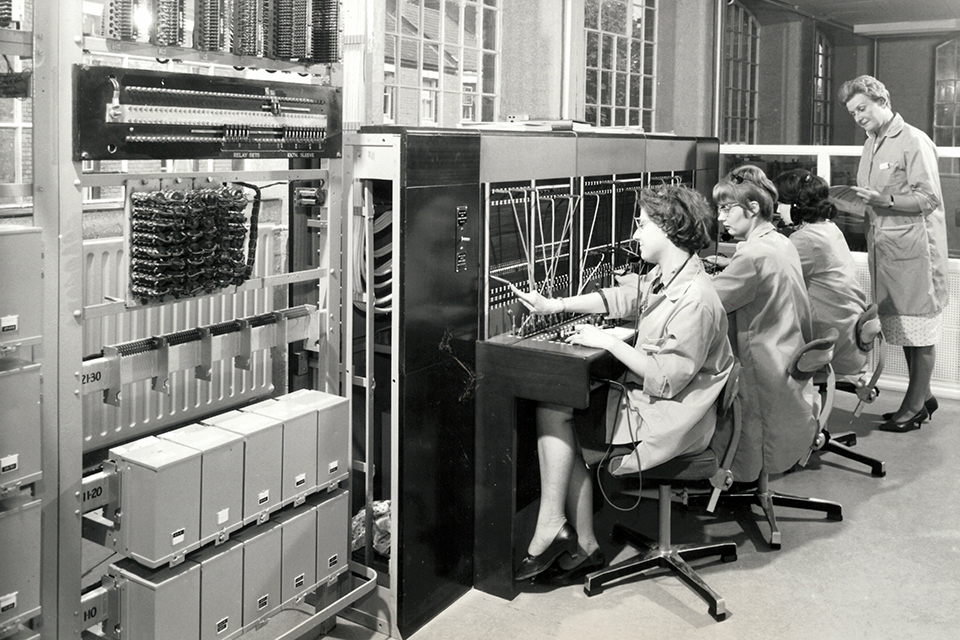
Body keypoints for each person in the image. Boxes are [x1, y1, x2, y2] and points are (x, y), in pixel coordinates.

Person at [508, 185, 734, 584]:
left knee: (556, 410)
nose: (635, 234)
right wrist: (555, 305)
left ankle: (556, 527)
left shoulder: (696, 299)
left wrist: (609, 341)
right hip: (665, 403)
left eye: (643, 225)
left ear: (667, 228)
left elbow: (665, 379)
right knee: (563, 409)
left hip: (672, 419)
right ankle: (582, 544)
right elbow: (624, 298)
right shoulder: (674, 274)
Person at [839, 75, 949, 432]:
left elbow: (928, 198)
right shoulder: (872, 143)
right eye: (853, 112)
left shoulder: (913, 140)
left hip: (915, 253)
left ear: (881, 101)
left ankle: (914, 406)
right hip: (886, 251)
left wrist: (883, 200)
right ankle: (923, 396)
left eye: (862, 108)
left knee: (921, 334)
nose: (858, 117)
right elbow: (872, 200)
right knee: (903, 330)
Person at [709, 165, 818, 481]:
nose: (720, 218)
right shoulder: (780, 242)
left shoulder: (752, 257)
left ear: (753, 207)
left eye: (727, 209)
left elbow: (705, 302)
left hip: (762, 371)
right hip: (785, 358)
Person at [773, 168, 873, 393]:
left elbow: (773, 276)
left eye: (781, 203)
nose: (778, 210)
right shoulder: (829, 228)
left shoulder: (805, 239)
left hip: (829, 344)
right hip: (848, 335)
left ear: (797, 206)